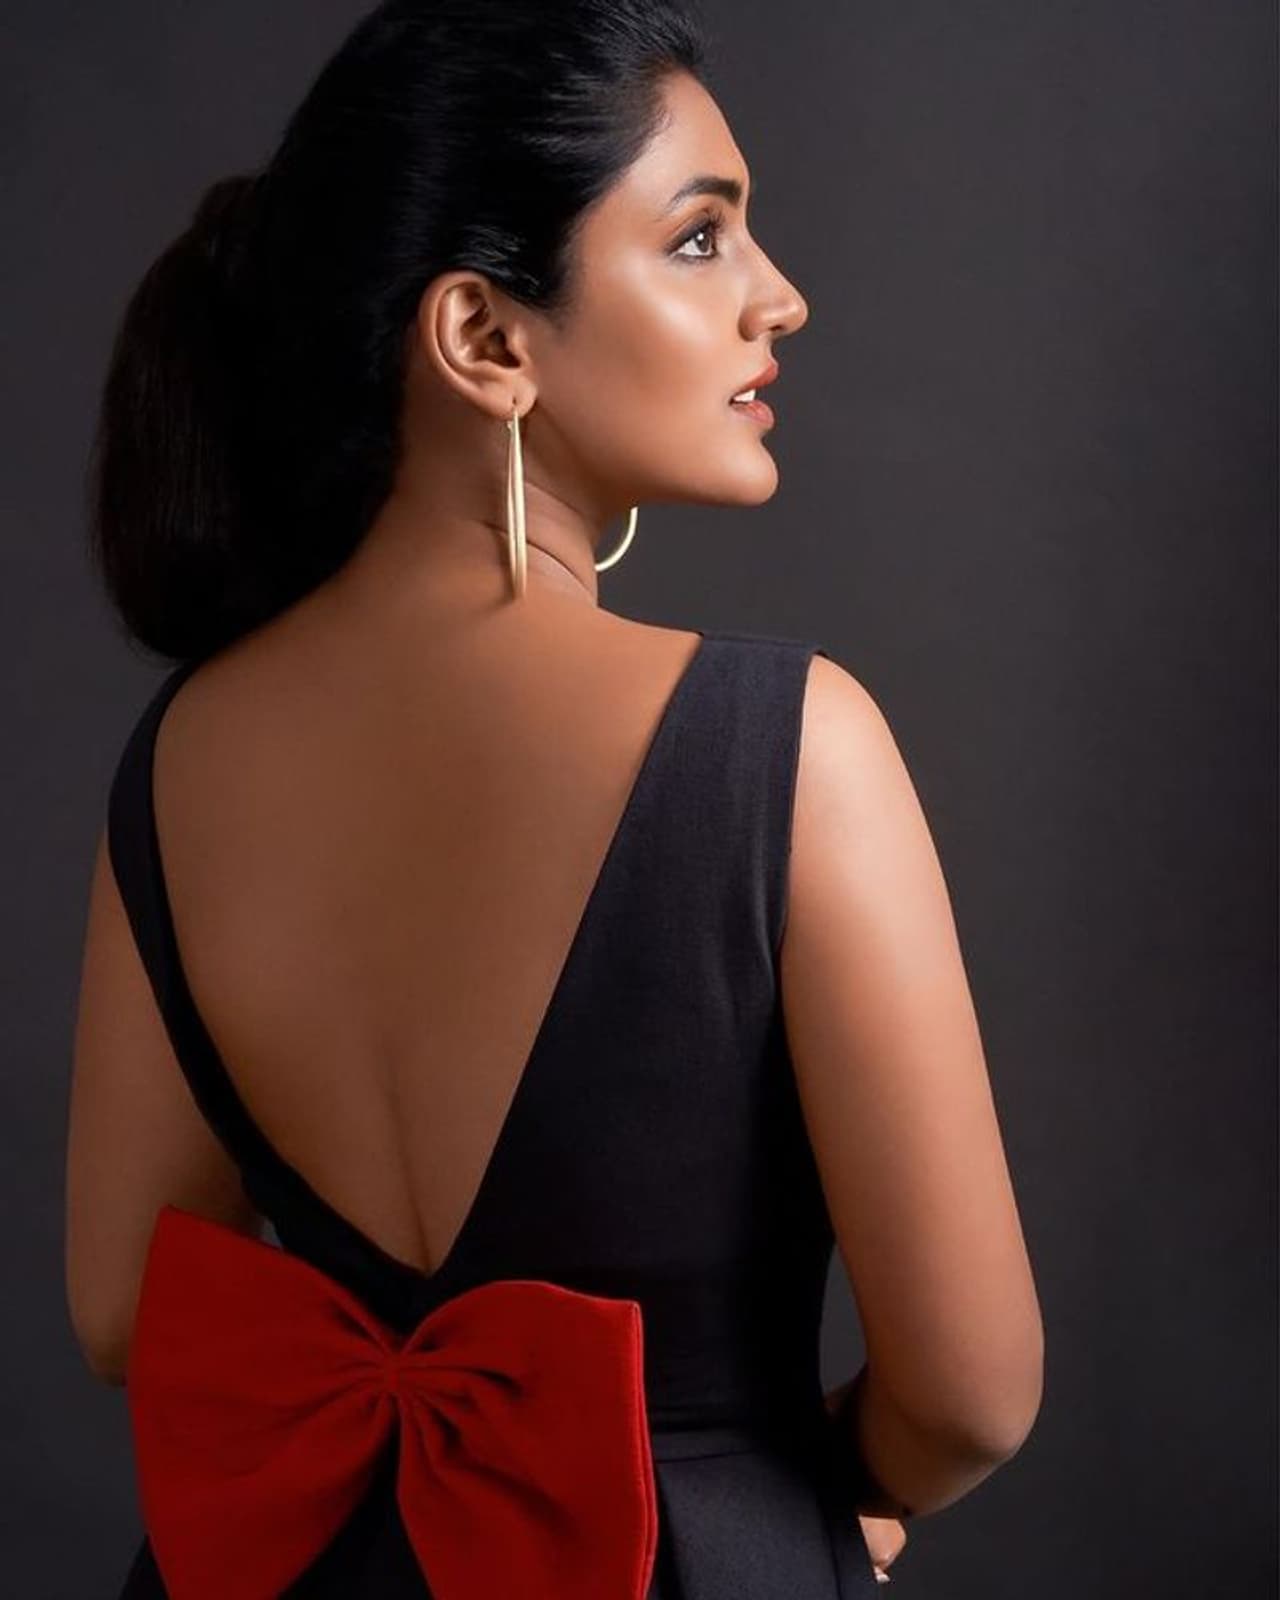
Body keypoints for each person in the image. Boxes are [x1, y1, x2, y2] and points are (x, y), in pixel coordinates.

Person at [64, 2, 1044, 1595]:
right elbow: (971, 1394)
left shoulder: (176, 760)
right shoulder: (789, 746)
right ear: (488, 340)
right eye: (701, 237)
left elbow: (127, 1312)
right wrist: (823, 1512)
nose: (779, 296)